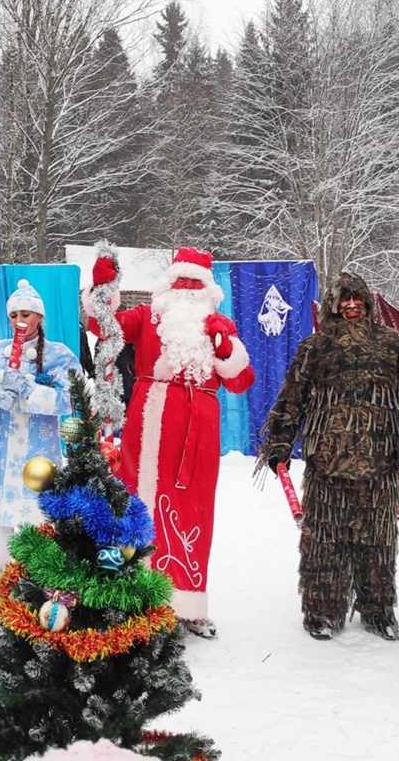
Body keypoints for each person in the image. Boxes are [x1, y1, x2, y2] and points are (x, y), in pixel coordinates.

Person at [86, 247, 254, 639]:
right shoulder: (147, 317)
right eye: (181, 281)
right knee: (136, 501)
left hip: (199, 429)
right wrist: (103, 286)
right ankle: (130, 596)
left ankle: (187, 602)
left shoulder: (219, 324)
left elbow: (241, 381)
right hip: (149, 422)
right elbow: (103, 327)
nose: (187, 289)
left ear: (208, 289)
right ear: (167, 285)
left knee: (194, 510)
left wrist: (224, 344)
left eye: (195, 283)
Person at [256, 271, 399, 642]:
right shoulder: (314, 348)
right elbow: (292, 398)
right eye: (344, 299)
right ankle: (322, 612)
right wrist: (280, 445)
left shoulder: (392, 345)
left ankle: (378, 611)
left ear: (367, 302)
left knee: (378, 546)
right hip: (327, 465)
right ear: (333, 305)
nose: (351, 305)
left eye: (358, 299)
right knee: (323, 544)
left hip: (379, 463)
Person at [0, 280, 83, 593]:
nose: (19, 320)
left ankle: (41, 597)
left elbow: (73, 399)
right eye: (14, 315)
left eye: (27, 313)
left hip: (40, 456)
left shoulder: (58, 354)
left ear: (40, 316)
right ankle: (1, 602)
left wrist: (30, 391)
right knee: (1, 527)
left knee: (41, 525)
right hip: (2, 454)